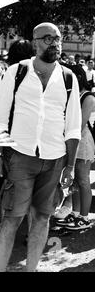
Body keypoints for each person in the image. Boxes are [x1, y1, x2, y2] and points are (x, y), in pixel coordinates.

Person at [0, 23, 81, 272]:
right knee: (12, 219)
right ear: (35, 42)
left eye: (58, 38)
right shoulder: (16, 72)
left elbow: (73, 127)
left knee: (42, 218)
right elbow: (1, 118)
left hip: (54, 159)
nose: (55, 43)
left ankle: (31, 270)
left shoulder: (68, 78)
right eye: (48, 38)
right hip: (20, 155)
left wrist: (70, 166)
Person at [0, 39, 34, 231]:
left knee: (5, 185)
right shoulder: (40, 78)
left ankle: (3, 228)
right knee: (32, 187)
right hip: (32, 141)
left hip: (8, 142)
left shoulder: (4, 78)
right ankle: (31, 233)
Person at [54, 64, 95, 230]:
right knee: (75, 182)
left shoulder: (89, 97)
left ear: (77, 78)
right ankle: (75, 214)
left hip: (84, 143)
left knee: (83, 180)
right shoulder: (74, 95)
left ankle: (84, 218)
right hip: (74, 141)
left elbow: (80, 124)